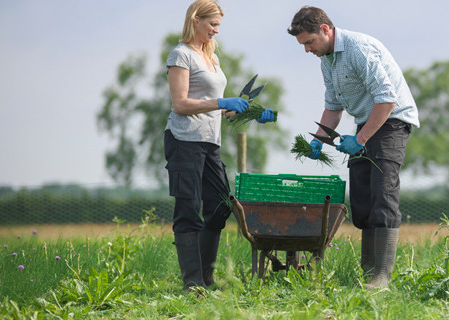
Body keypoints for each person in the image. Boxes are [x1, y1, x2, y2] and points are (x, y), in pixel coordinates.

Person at [287, 6, 420, 289]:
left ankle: (381, 278)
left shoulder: (359, 49)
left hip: (392, 121)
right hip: (367, 123)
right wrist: (318, 138)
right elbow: (333, 107)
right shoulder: (327, 61)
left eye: (309, 42)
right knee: (362, 201)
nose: (307, 50)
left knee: (383, 195)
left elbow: (387, 100)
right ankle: (369, 273)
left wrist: (360, 140)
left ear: (325, 29)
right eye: (303, 45)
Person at [165, 0, 274, 292]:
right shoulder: (181, 55)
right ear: (195, 20)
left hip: (209, 143)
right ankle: (193, 283)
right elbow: (180, 104)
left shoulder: (212, 58)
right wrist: (221, 101)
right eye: (212, 24)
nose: (216, 30)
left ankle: (206, 278)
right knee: (189, 209)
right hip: (184, 141)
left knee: (219, 207)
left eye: (218, 26)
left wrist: (247, 112)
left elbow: (219, 110)